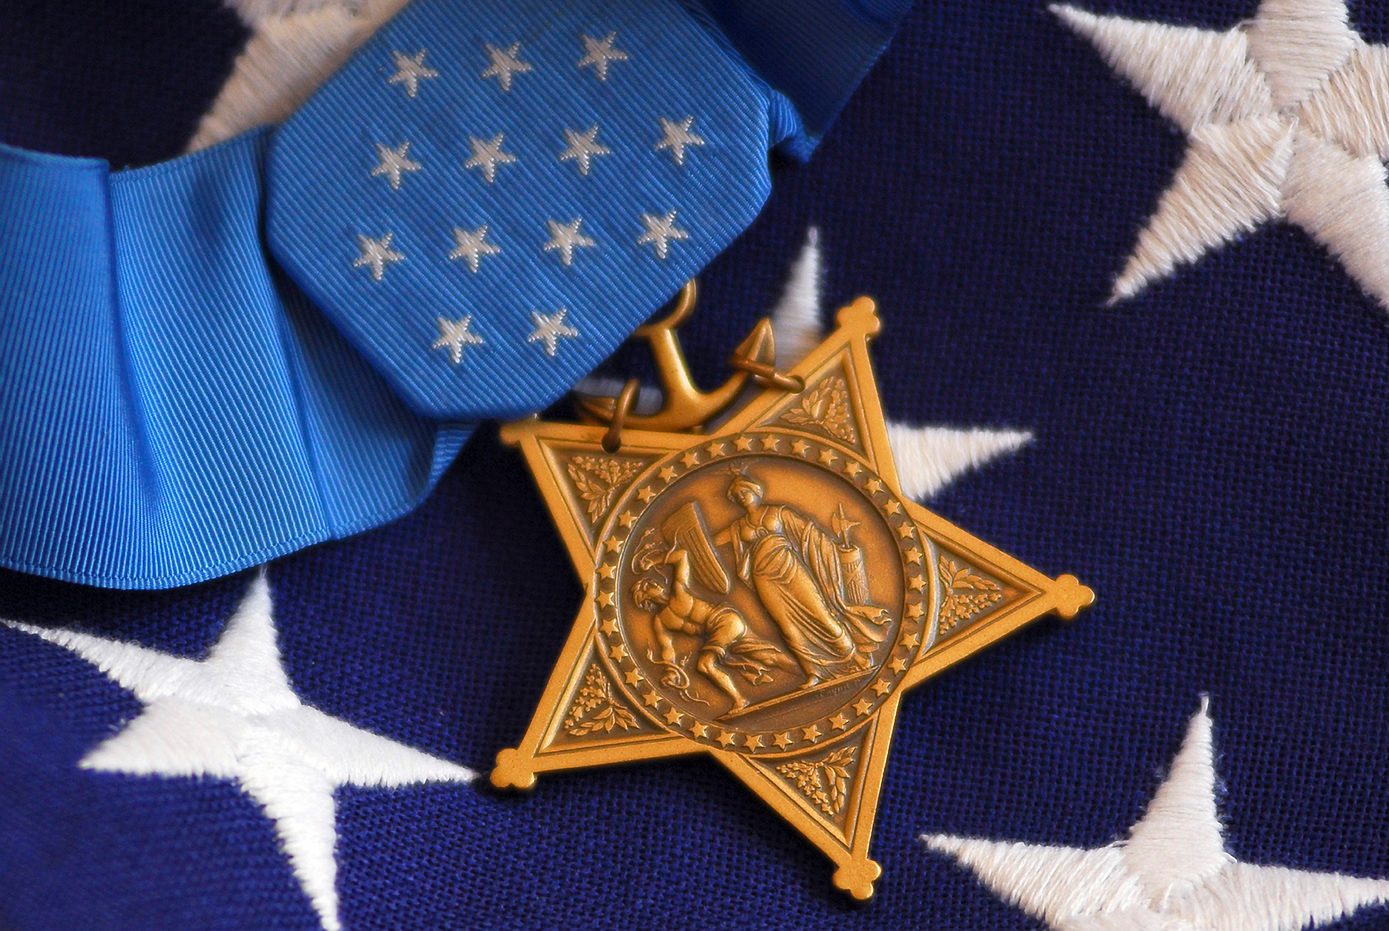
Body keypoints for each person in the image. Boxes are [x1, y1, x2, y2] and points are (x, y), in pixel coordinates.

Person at [714, 470, 888, 687]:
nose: (741, 497)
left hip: (791, 569)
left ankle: (854, 655)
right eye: (736, 496)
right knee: (787, 627)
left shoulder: (778, 513)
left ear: (755, 491)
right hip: (764, 578)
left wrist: (835, 544)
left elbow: (809, 535)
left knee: (820, 613)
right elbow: (714, 541)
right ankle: (813, 671)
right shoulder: (738, 527)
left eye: (744, 492)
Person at [631, 549, 790, 711]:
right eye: (648, 586)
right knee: (767, 656)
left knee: (705, 664)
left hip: (725, 620)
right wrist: (671, 672)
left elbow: (682, 555)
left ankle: (739, 700)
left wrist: (654, 561)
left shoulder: (679, 591)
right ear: (644, 597)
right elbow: (667, 649)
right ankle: (806, 670)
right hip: (719, 633)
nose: (655, 584)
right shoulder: (661, 621)